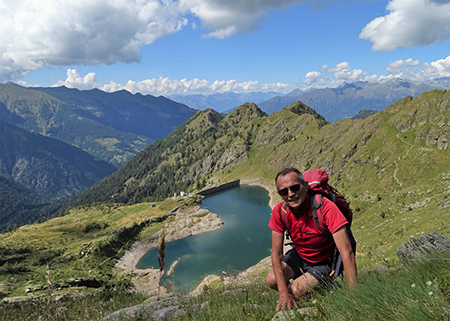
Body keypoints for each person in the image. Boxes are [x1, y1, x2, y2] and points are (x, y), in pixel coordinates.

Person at [266, 167, 357, 311]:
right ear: (280, 194)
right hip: (301, 255)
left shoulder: (325, 207)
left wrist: (354, 299)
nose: (291, 194)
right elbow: (276, 253)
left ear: (306, 186)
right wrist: (283, 293)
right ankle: (310, 290)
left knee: (295, 291)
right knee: (272, 280)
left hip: (324, 261)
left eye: (295, 188)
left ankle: (323, 287)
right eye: (284, 191)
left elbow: (347, 253)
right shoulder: (280, 211)